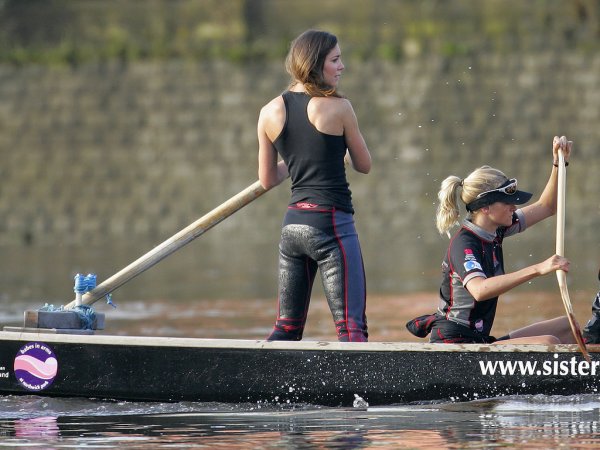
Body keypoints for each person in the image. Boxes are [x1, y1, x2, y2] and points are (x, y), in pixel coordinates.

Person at [257, 30, 372, 342]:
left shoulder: (268, 111)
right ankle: (360, 391)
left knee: (286, 328)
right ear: (315, 64)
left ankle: (262, 383)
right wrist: (340, 152)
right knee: (351, 329)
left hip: (293, 228)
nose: (342, 66)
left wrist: (304, 160)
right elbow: (364, 165)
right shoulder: (339, 108)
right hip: (331, 224)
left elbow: (268, 179)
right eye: (335, 60)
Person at [407, 136, 577, 344]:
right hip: (455, 346)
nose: (513, 207)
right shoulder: (464, 244)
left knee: (568, 327)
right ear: (485, 207)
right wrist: (538, 269)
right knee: (548, 342)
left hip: (480, 341)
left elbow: (547, 207)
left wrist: (559, 164)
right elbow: (480, 290)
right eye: (507, 202)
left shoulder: (498, 229)